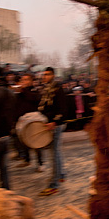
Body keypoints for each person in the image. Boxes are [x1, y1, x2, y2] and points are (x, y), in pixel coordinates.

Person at [38, 67, 67, 196]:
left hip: (55, 125)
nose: (45, 77)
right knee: (56, 151)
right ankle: (60, 174)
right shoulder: (46, 89)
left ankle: (54, 184)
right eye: (44, 75)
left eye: (48, 74)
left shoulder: (57, 89)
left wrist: (54, 122)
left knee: (54, 153)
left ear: (53, 75)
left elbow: (63, 109)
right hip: (51, 123)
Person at [13, 72, 44, 170]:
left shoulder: (35, 90)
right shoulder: (19, 93)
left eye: (26, 80)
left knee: (36, 142)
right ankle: (26, 159)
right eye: (22, 80)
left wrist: (23, 90)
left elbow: (34, 99)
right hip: (22, 119)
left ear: (31, 81)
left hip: (34, 119)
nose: (23, 82)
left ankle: (40, 163)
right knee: (22, 140)